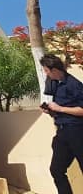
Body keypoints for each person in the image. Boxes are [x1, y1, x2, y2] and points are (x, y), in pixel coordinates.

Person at [40, 54, 83, 194]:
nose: (45, 73)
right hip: (62, 132)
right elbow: (60, 108)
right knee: (56, 170)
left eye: (46, 70)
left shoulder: (74, 84)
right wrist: (51, 110)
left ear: (54, 70)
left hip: (77, 131)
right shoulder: (53, 84)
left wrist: (59, 108)